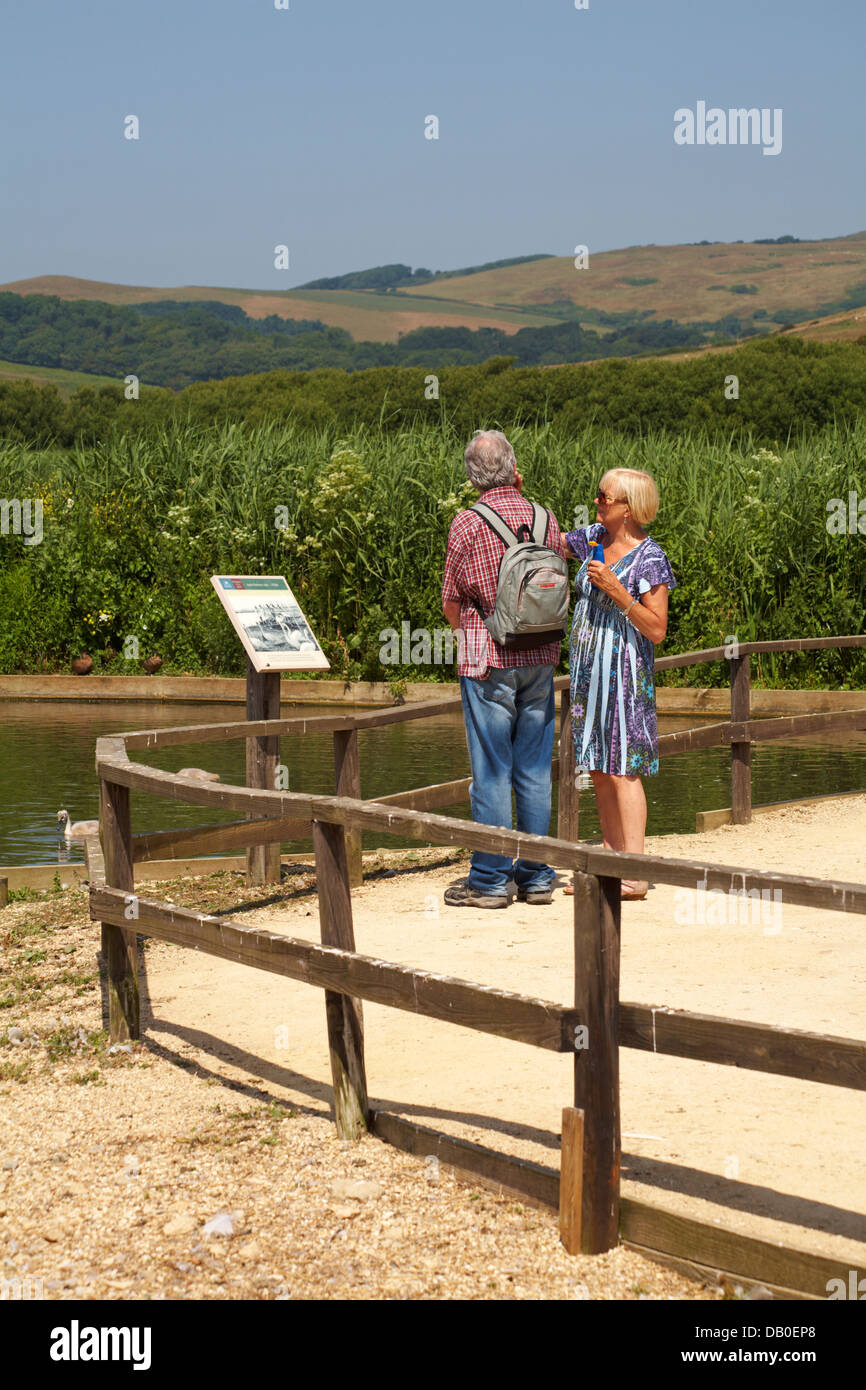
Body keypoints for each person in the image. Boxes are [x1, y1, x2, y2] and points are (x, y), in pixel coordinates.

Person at [441, 430, 566, 908]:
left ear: (472, 476)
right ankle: (535, 876)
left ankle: (490, 881)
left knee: (491, 771)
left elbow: (452, 603)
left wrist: (471, 629)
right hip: (540, 655)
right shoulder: (544, 516)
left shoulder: (467, 523)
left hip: (488, 656)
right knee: (534, 770)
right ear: (514, 467)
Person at [563, 469, 675, 901]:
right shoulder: (592, 537)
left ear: (628, 507)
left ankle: (636, 871)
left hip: (626, 674)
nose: (597, 503)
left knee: (625, 769)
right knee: (597, 766)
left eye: (604, 498)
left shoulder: (650, 558)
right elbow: (551, 539)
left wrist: (617, 591)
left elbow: (657, 629)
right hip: (589, 673)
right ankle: (610, 863)